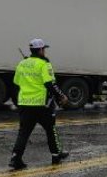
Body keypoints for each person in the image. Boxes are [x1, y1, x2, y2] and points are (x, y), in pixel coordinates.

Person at [9, 38, 69, 170]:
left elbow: (16, 84)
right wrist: (61, 96)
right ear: (41, 50)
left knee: (23, 132)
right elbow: (50, 83)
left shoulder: (22, 63)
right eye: (44, 49)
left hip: (25, 104)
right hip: (43, 105)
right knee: (50, 130)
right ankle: (56, 155)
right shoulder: (44, 64)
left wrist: (18, 101)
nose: (45, 52)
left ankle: (15, 158)